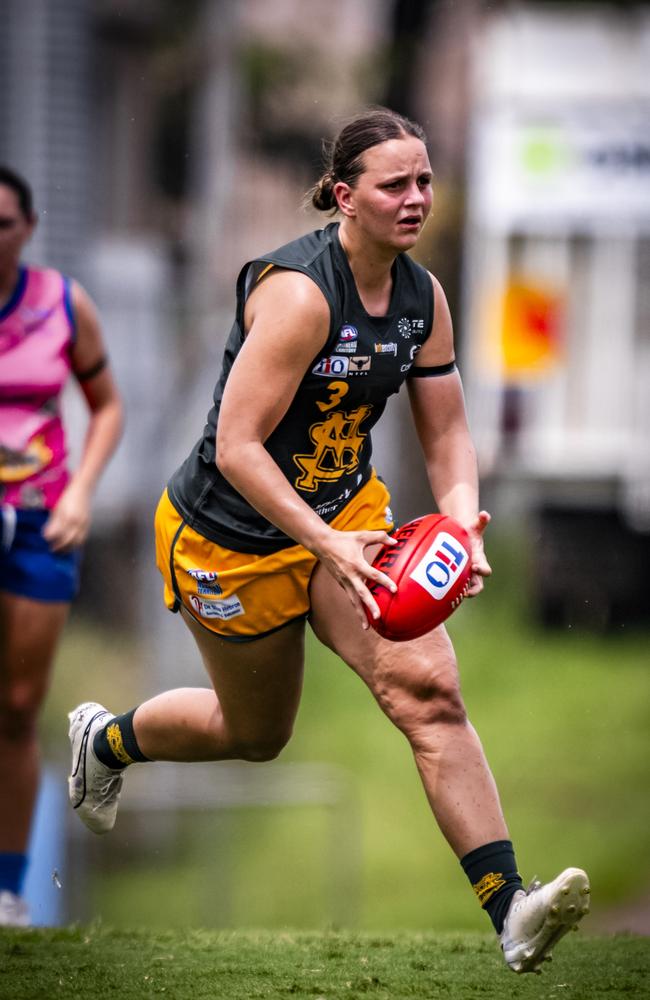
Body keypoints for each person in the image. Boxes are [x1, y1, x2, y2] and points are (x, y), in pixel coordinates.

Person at [67, 108, 589, 972]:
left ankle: (513, 910)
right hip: (228, 536)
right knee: (256, 731)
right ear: (346, 197)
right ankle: (109, 742)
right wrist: (326, 545)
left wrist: (461, 518)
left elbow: (448, 429)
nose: (416, 198)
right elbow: (236, 447)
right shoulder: (301, 295)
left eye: (425, 180)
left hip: (345, 518)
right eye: (395, 184)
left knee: (431, 695)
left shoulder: (422, 298)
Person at [0, 165, 124, 926]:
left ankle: (8, 893)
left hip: (43, 516)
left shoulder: (62, 304)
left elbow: (105, 406)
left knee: (17, 706)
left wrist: (81, 490)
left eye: (2, 224)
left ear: (30, 226)